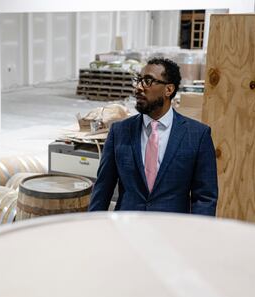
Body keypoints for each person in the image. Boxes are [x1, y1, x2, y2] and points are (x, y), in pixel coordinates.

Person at [87, 57, 218, 216]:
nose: (138, 88)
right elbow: (103, 189)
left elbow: (205, 197)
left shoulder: (197, 135)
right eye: (138, 80)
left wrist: (195, 236)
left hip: (172, 231)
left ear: (168, 89)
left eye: (148, 81)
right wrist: (93, 227)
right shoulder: (119, 132)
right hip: (127, 229)